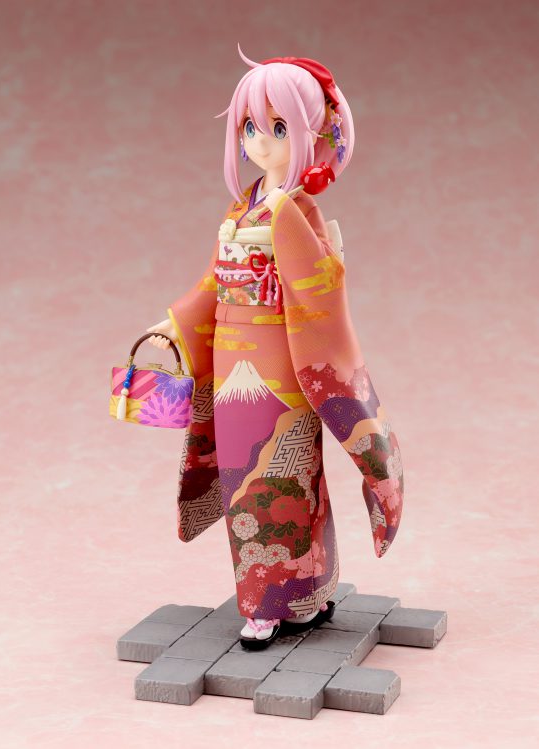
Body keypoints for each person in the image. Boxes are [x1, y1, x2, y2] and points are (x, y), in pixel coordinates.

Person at [145, 45, 404, 649]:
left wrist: (294, 238)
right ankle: (290, 593)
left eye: (279, 128)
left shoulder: (297, 209)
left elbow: (321, 291)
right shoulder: (243, 209)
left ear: (313, 134)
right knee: (241, 475)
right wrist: (174, 324)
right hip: (232, 356)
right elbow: (214, 283)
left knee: (280, 478)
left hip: (281, 363)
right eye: (250, 127)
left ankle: (278, 602)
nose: (260, 141)